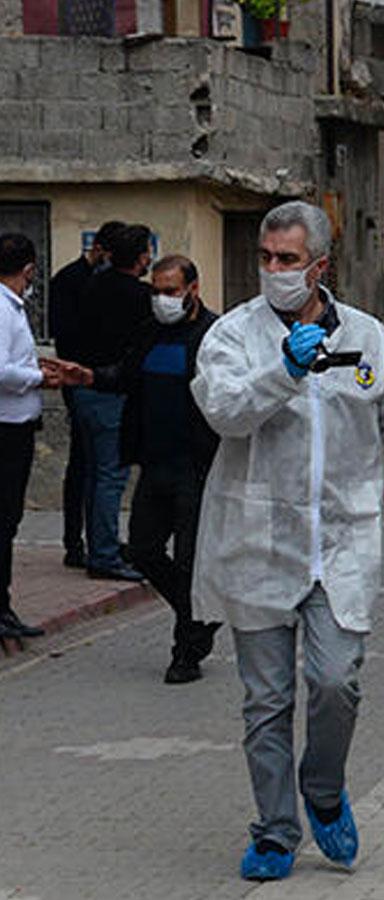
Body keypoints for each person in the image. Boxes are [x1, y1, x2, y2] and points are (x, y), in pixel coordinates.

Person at [190, 201, 384, 882]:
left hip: (341, 541)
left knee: (335, 679)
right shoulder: (234, 336)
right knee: (265, 700)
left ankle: (322, 788)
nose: (275, 271)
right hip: (257, 541)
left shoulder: (367, 338)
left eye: (288, 260)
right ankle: (276, 831)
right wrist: (283, 370)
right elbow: (224, 412)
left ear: (322, 265)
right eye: (266, 258)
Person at [64, 255, 223, 683]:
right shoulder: (150, 332)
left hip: (196, 467)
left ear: (192, 288)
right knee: (143, 551)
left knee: (189, 563)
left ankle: (185, 654)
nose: (161, 299)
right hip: (154, 465)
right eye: (156, 291)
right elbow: (126, 375)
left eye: (170, 291)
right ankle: (201, 616)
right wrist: (89, 376)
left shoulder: (213, 335)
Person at [77, 224, 154, 581]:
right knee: (111, 476)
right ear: (142, 257)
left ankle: (99, 546)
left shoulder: (93, 284)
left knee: (95, 473)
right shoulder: (140, 297)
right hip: (112, 390)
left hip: (84, 387)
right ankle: (105, 554)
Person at [50, 220, 122, 569]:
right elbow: (65, 334)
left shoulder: (108, 285)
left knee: (97, 468)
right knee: (82, 466)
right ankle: (73, 542)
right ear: (98, 249)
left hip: (101, 380)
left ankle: (98, 540)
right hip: (78, 381)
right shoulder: (70, 281)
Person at [0, 234, 58, 640]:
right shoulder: (2, 310)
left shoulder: (11, 307)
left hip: (17, 424)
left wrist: (36, 365)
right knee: (4, 521)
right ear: (28, 270)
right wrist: (40, 378)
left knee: (8, 520)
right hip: (6, 427)